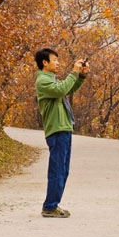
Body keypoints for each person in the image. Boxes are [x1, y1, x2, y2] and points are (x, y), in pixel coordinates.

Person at [34, 48, 89, 218]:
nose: (58, 63)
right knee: (57, 170)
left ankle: (53, 204)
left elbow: (67, 89)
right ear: (45, 62)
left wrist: (80, 76)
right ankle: (50, 206)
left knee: (63, 170)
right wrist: (74, 72)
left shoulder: (51, 79)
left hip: (63, 128)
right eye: (55, 60)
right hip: (57, 129)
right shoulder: (43, 81)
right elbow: (61, 90)